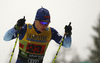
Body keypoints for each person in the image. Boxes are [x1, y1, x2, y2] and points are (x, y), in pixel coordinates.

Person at [3, 7, 72, 63]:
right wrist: (16, 27)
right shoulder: (25, 28)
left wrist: (68, 34)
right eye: (43, 22)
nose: (45, 25)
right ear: (36, 20)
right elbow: (6, 38)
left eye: (47, 23)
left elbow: (67, 45)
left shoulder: (51, 32)